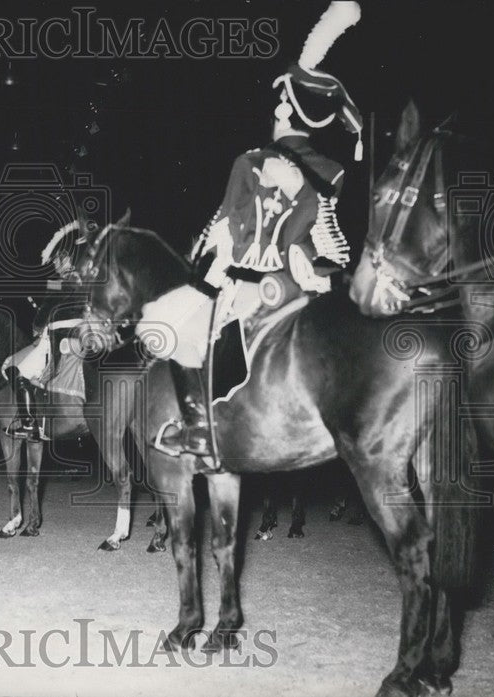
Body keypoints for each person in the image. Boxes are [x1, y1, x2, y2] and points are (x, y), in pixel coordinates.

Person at [146, 1, 363, 463]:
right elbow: (326, 237)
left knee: (169, 326)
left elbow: (228, 228)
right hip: (307, 281)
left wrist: (205, 266)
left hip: (253, 279)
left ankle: (199, 430)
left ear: (284, 109)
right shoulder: (331, 171)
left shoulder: (250, 161)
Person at [4, 221, 87, 440]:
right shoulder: (88, 282)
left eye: (57, 261)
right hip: (84, 334)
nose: (55, 266)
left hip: (58, 336)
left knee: (14, 370)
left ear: (66, 259)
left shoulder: (57, 283)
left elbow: (46, 309)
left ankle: (29, 423)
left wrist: (36, 327)